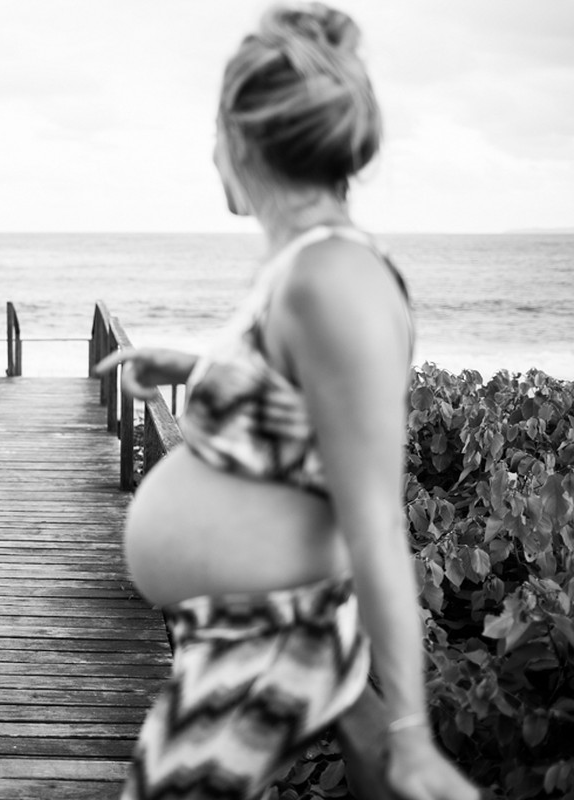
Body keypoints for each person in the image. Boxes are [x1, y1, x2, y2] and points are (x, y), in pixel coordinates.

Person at [94, 4, 480, 799]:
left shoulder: (332, 278)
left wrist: (408, 732)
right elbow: (311, 408)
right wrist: (198, 366)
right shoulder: (306, 269)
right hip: (239, 643)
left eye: (213, 132)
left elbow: (374, 518)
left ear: (240, 136)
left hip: (271, 649)